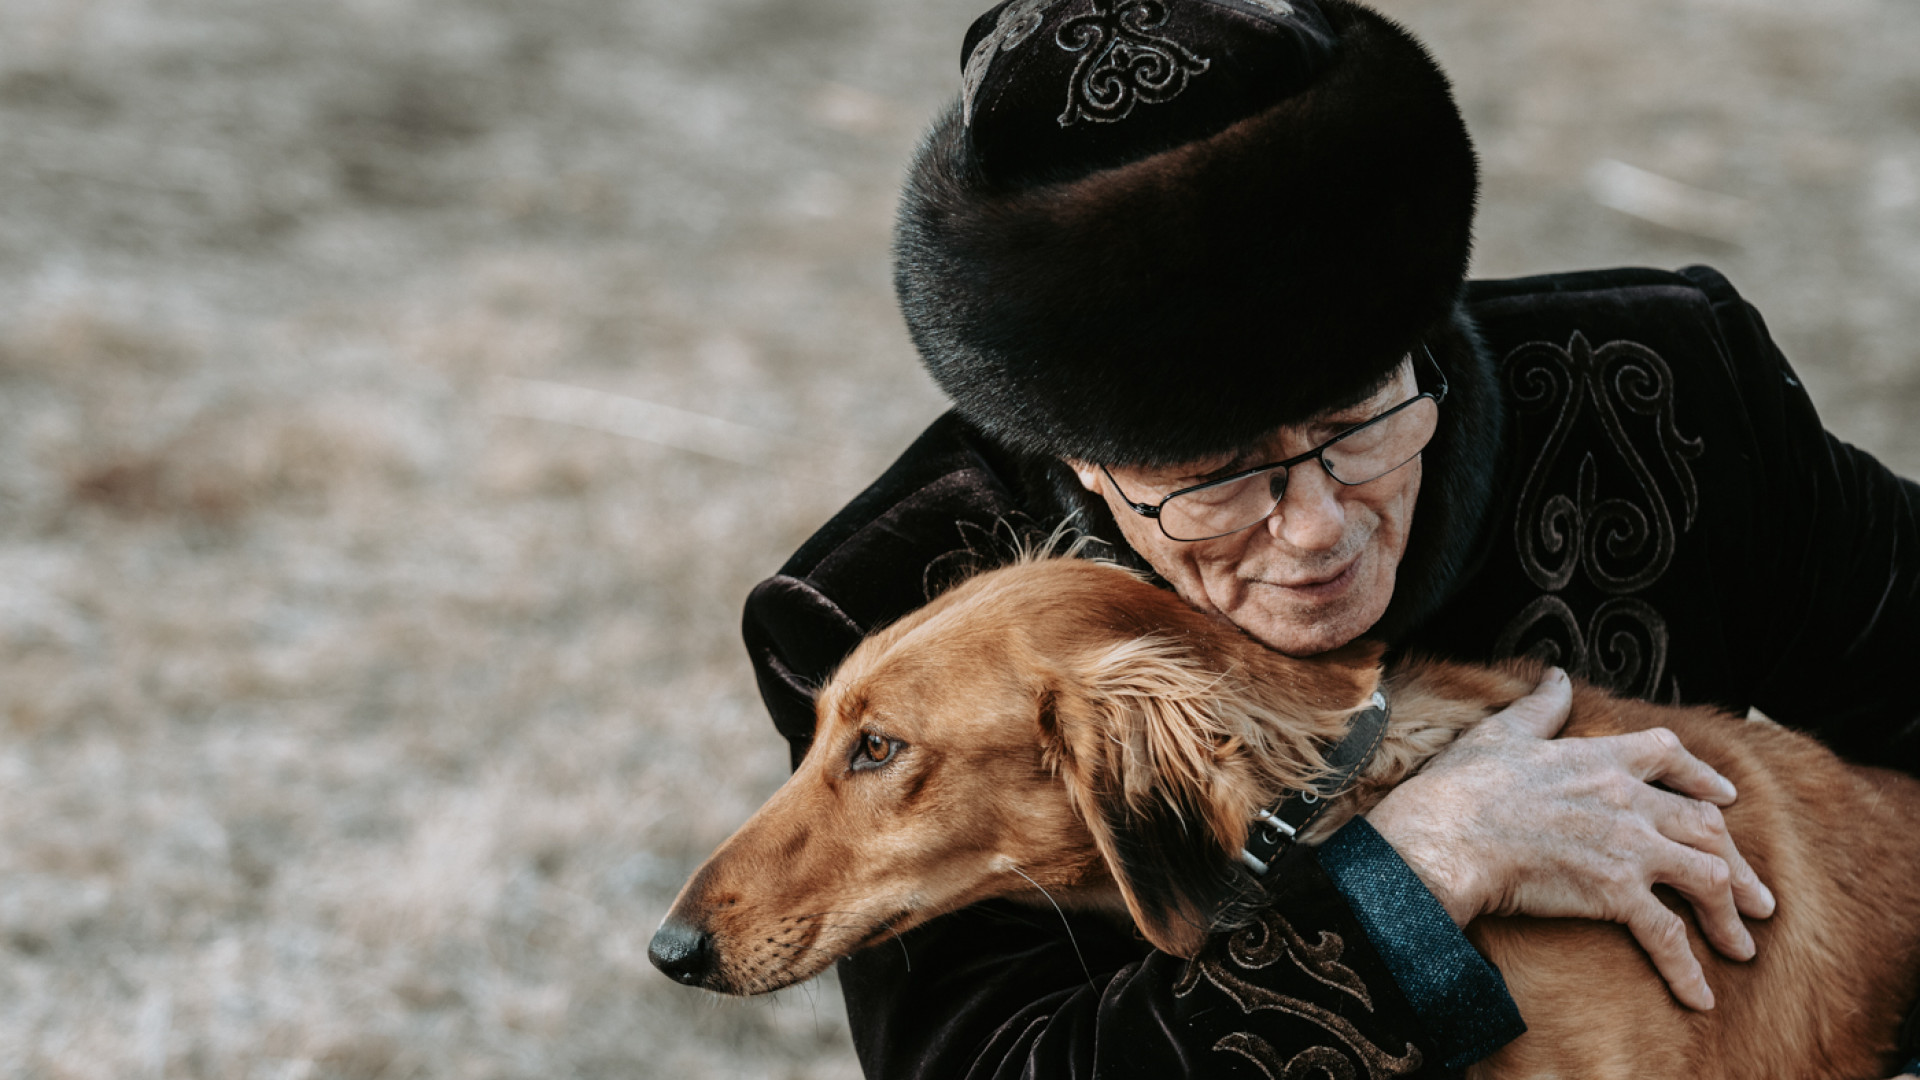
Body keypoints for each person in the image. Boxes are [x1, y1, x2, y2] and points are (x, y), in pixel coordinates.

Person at [739, 0, 1920, 1075]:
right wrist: (1417, 874)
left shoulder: (1672, 388)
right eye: (1218, 478)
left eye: (1359, 422)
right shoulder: (884, 603)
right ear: (1082, 464)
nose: (1316, 530)